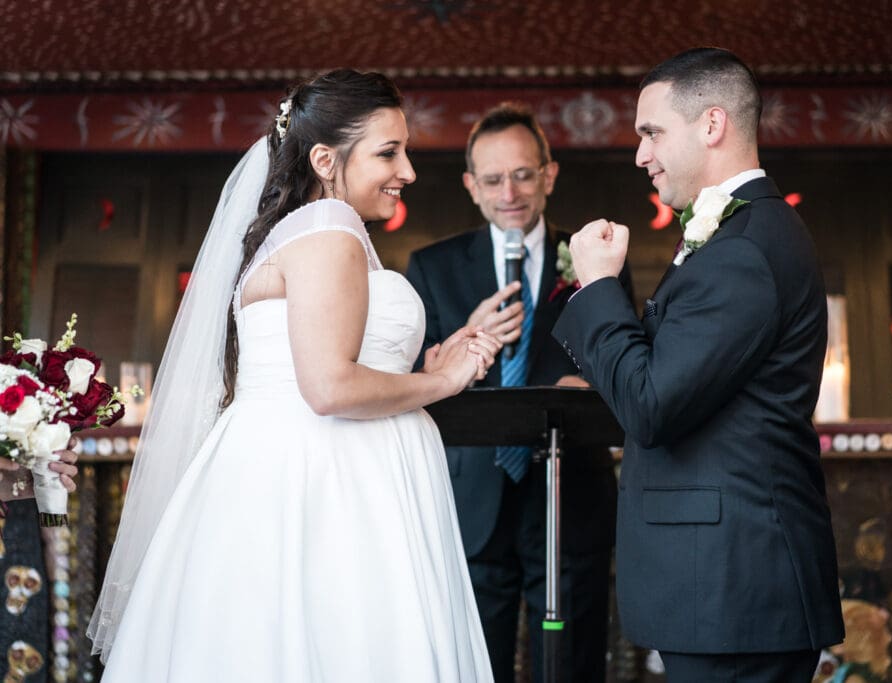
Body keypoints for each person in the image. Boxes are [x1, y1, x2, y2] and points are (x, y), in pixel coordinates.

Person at [87, 69, 499, 682]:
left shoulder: (307, 232)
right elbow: (329, 387)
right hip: (331, 478)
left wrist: (419, 367)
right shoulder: (328, 229)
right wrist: (441, 384)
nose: (408, 171)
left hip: (293, 464)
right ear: (326, 159)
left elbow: (330, 361)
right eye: (389, 152)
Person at [552, 48, 845, 682]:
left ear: (712, 125)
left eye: (651, 132)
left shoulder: (745, 248)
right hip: (722, 587)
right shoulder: (739, 238)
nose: (640, 155)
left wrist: (599, 288)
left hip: (734, 586)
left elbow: (652, 406)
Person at [406, 102, 632, 683]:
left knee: (574, 664)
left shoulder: (595, 260)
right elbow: (409, 384)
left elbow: (627, 361)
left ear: (549, 175)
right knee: (475, 664)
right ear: (471, 187)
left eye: (524, 174)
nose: (509, 191)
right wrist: (461, 346)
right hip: (473, 500)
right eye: (493, 178)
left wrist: (594, 383)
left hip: (571, 494)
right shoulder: (431, 268)